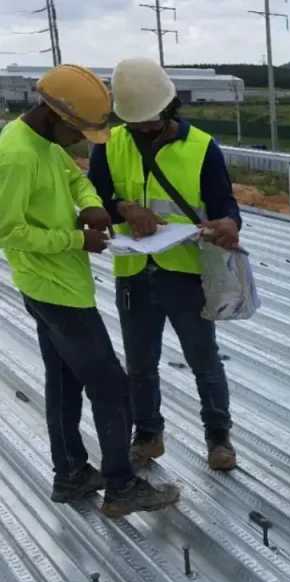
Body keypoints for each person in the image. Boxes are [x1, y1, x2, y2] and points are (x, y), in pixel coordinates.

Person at [0, 64, 181, 517]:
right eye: (78, 130)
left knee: (64, 382)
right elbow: (7, 229)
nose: (81, 140)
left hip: (57, 284)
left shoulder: (42, 141)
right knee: (113, 388)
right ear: (54, 114)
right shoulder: (17, 155)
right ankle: (121, 486)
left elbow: (73, 176)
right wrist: (75, 240)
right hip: (54, 288)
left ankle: (72, 474)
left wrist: (93, 206)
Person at [88, 57, 241, 472]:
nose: (140, 130)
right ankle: (148, 436)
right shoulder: (109, 143)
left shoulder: (202, 148)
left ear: (169, 107)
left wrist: (229, 223)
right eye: (134, 123)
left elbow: (226, 205)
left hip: (186, 271)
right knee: (140, 364)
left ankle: (218, 437)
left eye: (148, 123)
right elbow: (94, 197)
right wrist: (123, 207)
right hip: (134, 272)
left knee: (204, 360)